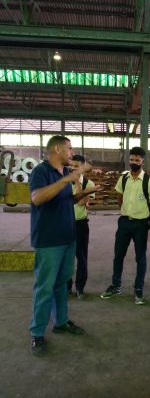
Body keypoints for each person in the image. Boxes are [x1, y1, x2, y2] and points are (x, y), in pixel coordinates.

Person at [29, 135, 98, 357]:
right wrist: (69, 179)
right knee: (45, 287)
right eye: (69, 149)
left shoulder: (63, 174)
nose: (71, 152)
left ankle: (61, 321)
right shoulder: (41, 172)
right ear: (57, 149)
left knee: (61, 284)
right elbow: (37, 198)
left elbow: (65, 200)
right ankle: (37, 333)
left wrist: (82, 193)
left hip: (68, 237)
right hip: (49, 241)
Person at [101, 147, 150, 305]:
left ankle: (138, 289)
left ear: (142, 161)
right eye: (132, 160)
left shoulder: (149, 181)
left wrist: (147, 219)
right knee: (118, 255)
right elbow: (119, 197)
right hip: (125, 222)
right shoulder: (123, 179)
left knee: (140, 257)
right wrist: (126, 211)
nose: (134, 163)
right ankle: (116, 285)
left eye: (137, 160)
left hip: (141, 224)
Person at [67, 154, 96, 300]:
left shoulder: (88, 185)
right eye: (71, 165)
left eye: (76, 167)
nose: (72, 168)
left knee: (81, 257)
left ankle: (80, 287)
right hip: (65, 224)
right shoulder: (64, 182)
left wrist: (77, 181)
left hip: (80, 225)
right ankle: (67, 287)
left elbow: (80, 202)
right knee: (66, 257)